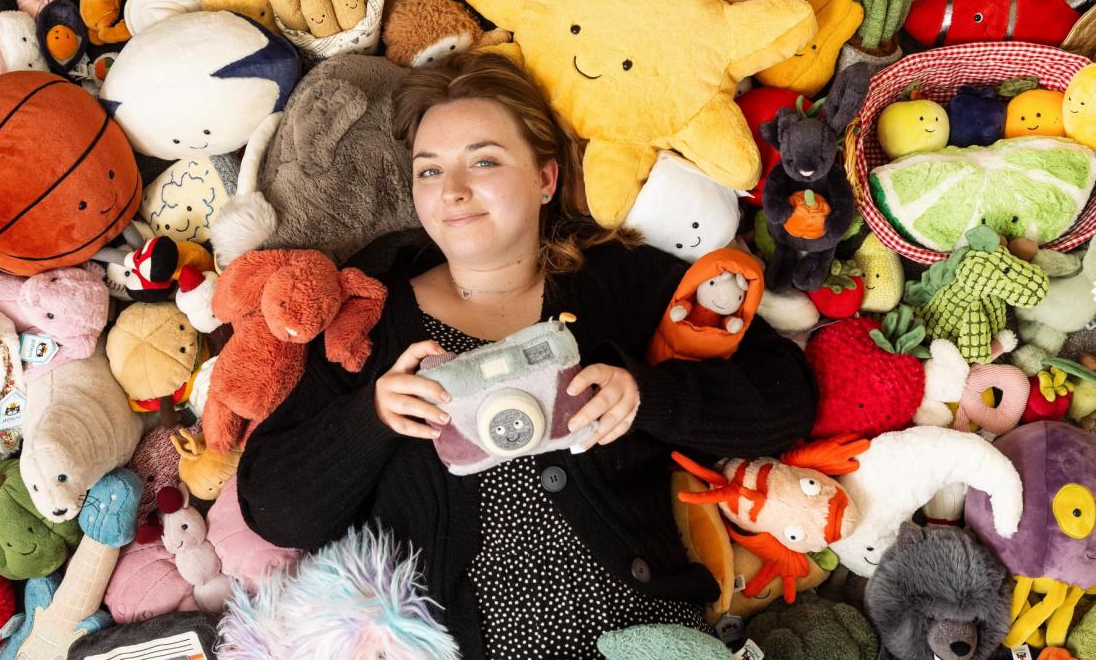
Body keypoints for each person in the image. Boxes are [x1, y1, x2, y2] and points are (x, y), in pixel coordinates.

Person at [237, 52, 818, 659]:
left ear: (545, 178)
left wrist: (648, 396)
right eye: (429, 171)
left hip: (648, 634)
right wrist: (371, 419)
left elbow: (789, 399)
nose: (453, 192)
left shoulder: (616, 281)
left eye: (483, 161)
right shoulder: (369, 317)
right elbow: (274, 511)